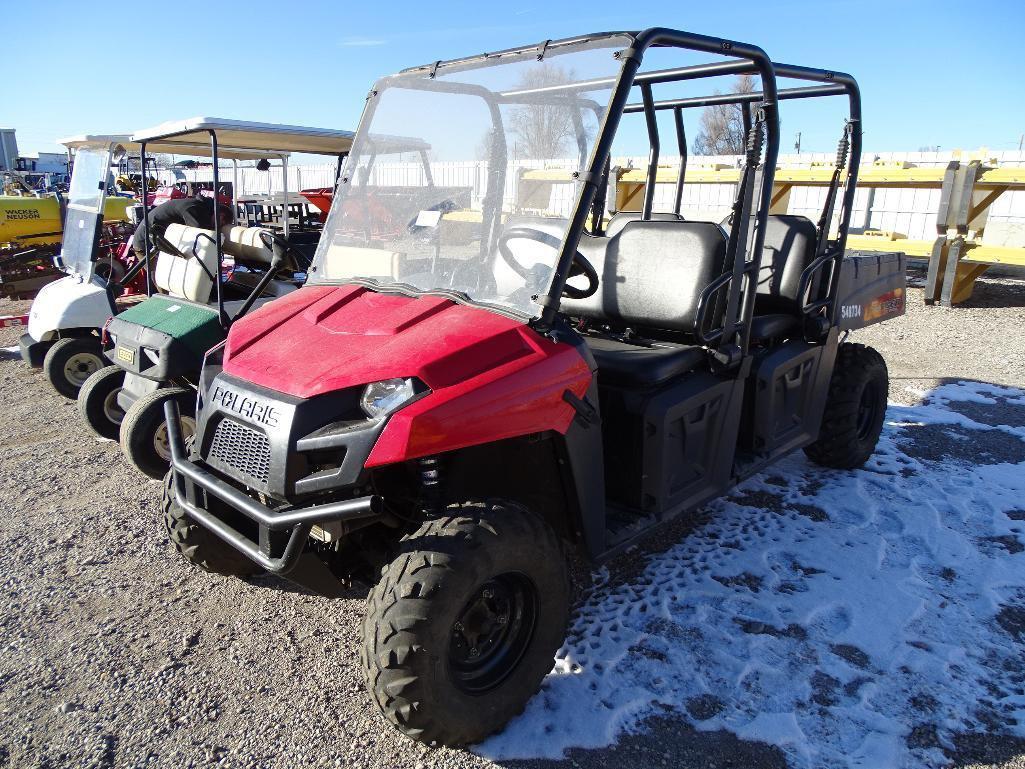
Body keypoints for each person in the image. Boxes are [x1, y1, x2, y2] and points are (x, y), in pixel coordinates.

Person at [131, 191, 233, 256]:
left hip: (158, 238)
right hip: (146, 242)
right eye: (221, 223)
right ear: (221, 216)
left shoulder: (199, 207)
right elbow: (202, 234)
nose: (218, 226)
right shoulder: (194, 208)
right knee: (160, 277)